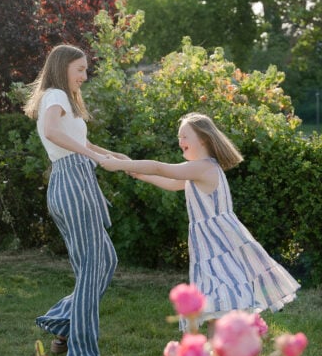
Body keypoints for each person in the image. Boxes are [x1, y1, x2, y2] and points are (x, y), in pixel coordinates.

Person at [102, 113, 299, 334]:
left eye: (184, 136)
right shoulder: (200, 169)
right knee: (217, 298)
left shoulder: (203, 167)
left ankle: (232, 349)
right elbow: (172, 182)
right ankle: (228, 352)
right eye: (179, 137)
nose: (180, 141)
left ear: (203, 138)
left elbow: (160, 167)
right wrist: (140, 174)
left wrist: (118, 165)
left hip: (218, 243)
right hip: (211, 242)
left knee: (223, 294)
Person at [24, 44, 124, 356]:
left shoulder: (61, 99)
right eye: (79, 69)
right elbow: (53, 132)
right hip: (72, 185)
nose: (84, 75)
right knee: (92, 268)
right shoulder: (56, 96)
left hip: (74, 184)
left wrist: (115, 157)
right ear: (63, 67)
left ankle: (63, 326)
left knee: (103, 262)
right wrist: (94, 158)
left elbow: (82, 143)